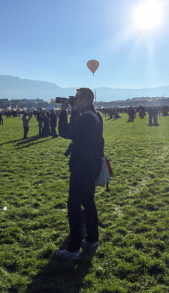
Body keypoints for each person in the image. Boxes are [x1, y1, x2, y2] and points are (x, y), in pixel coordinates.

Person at [55, 87, 104, 260]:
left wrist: (64, 113)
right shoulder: (96, 115)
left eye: (77, 97)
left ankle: (73, 249)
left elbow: (66, 132)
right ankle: (91, 239)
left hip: (81, 168)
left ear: (87, 99)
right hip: (91, 167)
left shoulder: (85, 119)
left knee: (74, 207)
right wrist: (75, 112)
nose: (75, 100)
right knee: (89, 203)